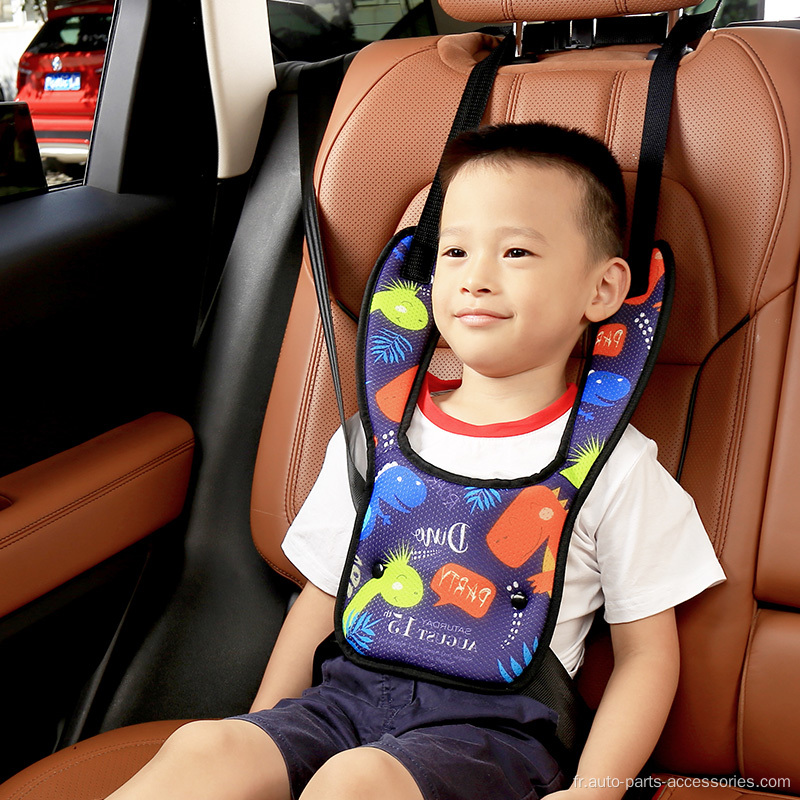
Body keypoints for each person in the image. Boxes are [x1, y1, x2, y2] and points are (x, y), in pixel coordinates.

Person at [106, 122, 725, 800]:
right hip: (341, 704)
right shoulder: (375, 438)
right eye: (454, 251)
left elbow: (646, 656)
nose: (476, 278)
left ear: (602, 291)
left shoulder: (613, 465)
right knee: (206, 746)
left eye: (515, 251)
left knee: (354, 783)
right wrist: (263, 728)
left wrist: (594, 790)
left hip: (494, 734)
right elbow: (323, 596)